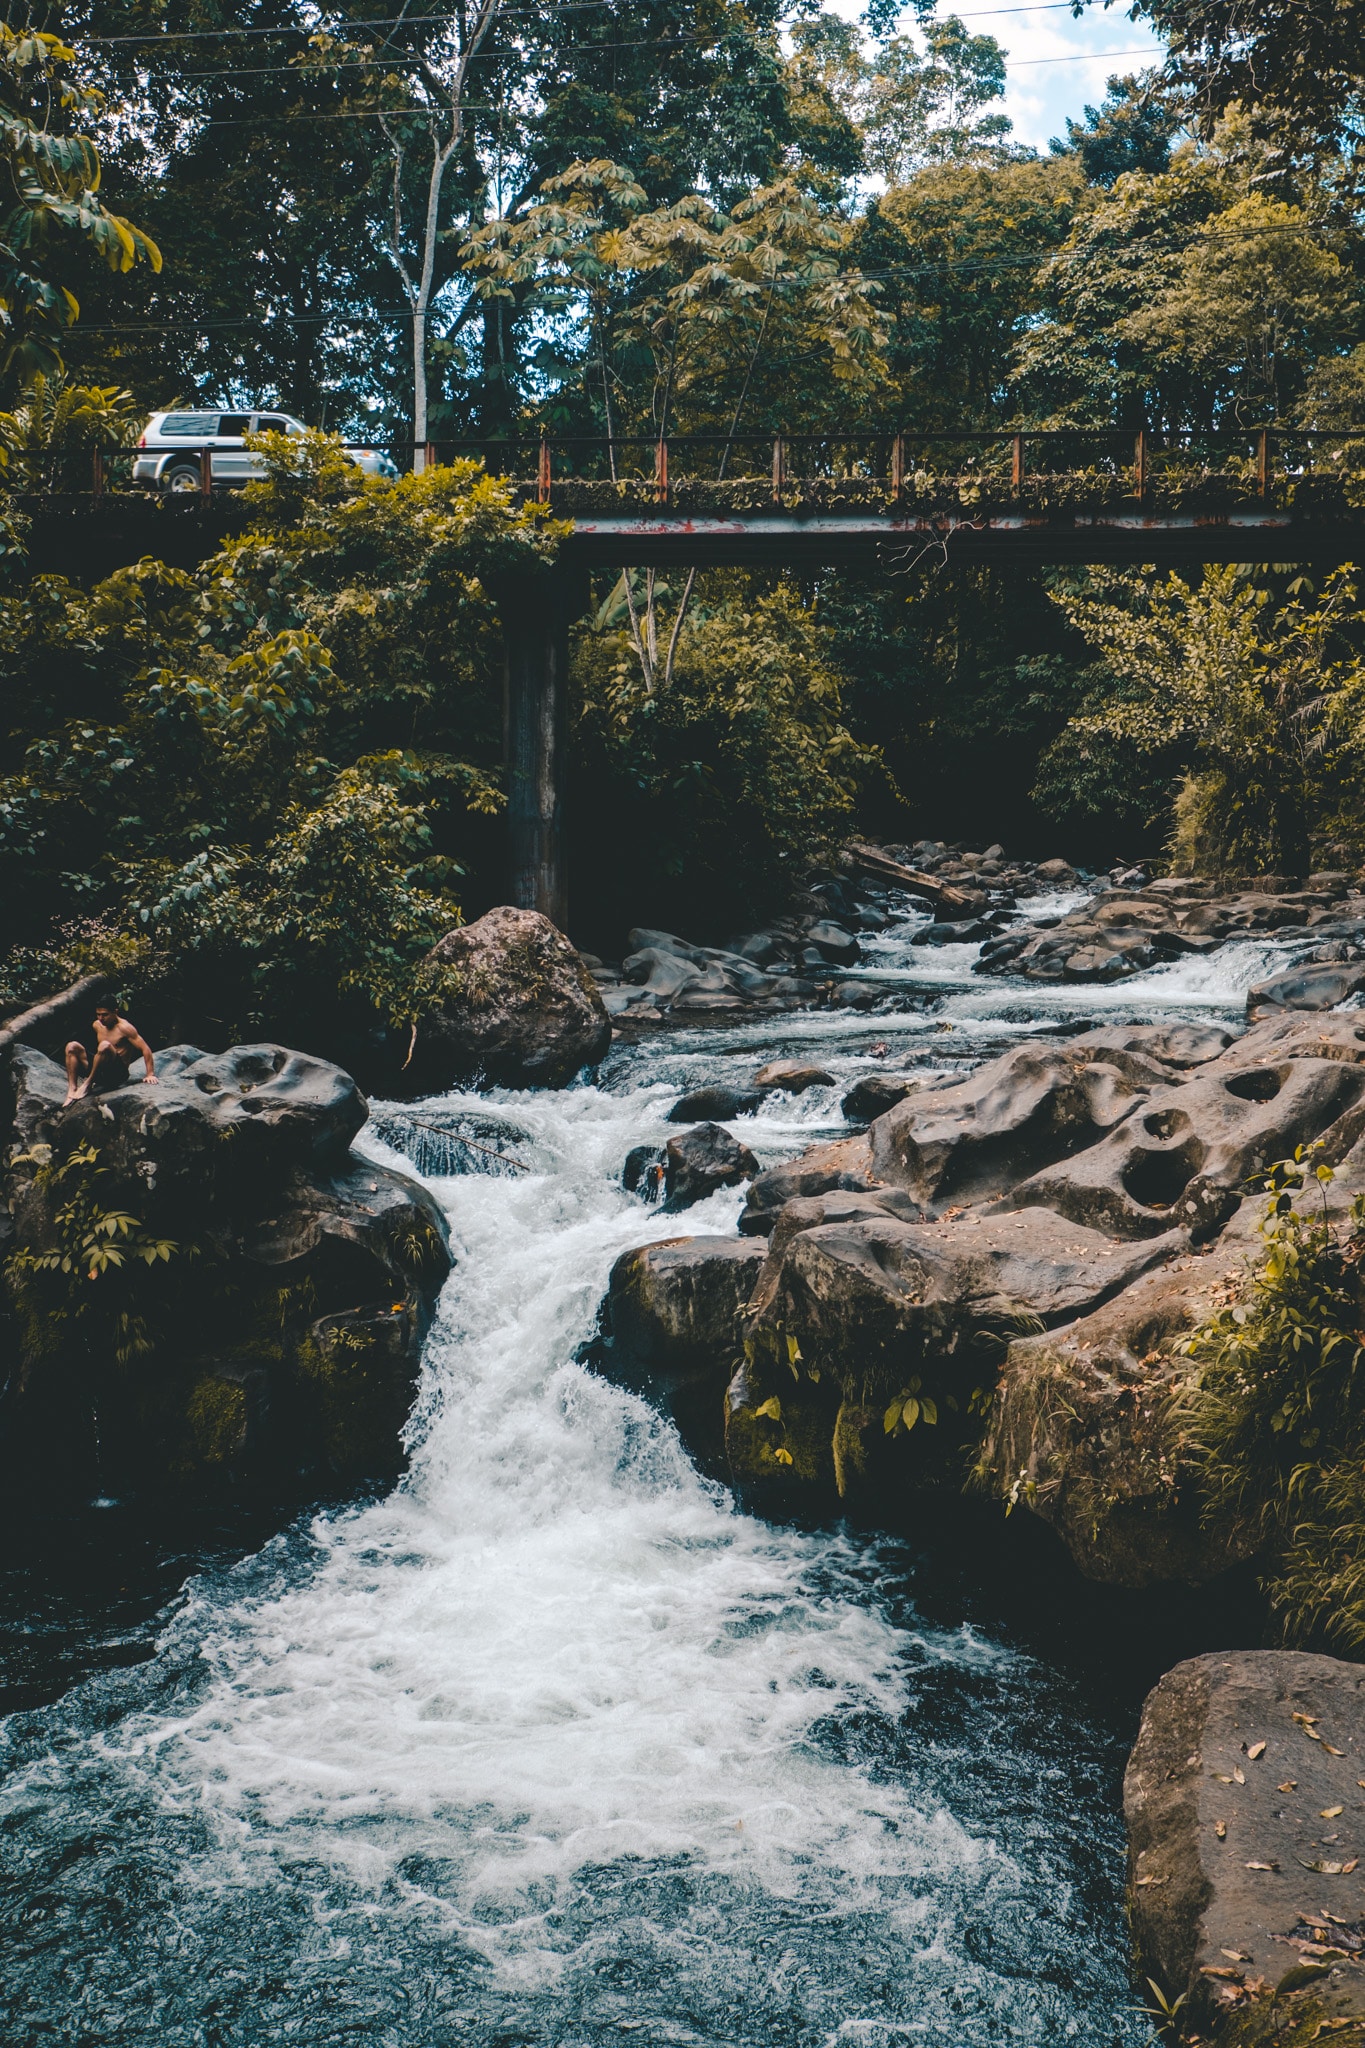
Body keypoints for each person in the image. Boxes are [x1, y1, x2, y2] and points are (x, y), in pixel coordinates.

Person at [64, 1003, 157, 1104]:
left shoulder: (125, 1028)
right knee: (71, 1046)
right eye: (98, 1014)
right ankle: (72, 1089)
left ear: (115, 1012)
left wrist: (150, 1074)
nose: (101, 1018)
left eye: (105, 1014)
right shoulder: (97, 1025)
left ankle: (88, 1084)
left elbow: (145, 1049)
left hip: (117, 1074)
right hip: (100, 1071)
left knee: (105, 1045)